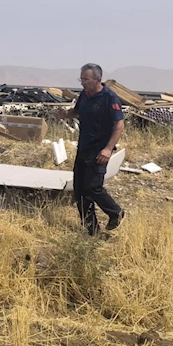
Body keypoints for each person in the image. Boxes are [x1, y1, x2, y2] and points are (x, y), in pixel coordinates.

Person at [57, 63, 125, 235]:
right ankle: (91, 231)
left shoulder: (109, 98)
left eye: (86, 79)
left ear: (98, 79)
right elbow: (77, 112)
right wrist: (65, 114)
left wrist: (108, 149)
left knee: (93, 187)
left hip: (99, 150)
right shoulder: (84, 96)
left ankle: (115, 212)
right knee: (80, 191)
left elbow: (119, 125)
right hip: (83, 149)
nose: (82, 83)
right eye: (81, 79)